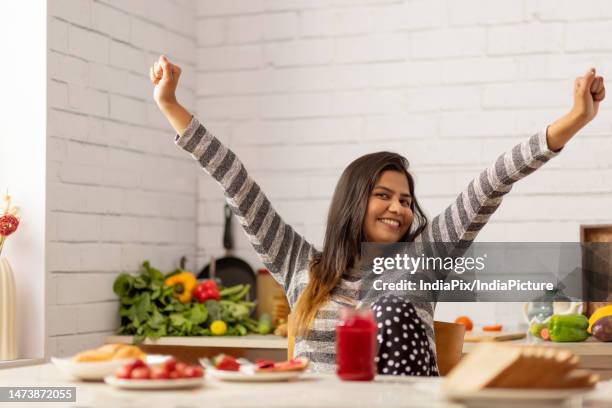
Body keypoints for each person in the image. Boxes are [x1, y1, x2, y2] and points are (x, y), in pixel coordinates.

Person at [149, 55, 605, 375]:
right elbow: (237, 184)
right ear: (353, 201)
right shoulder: (298, 263)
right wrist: (171, 104)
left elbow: (489, 184)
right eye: (383, 195)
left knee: (390, 309)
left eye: (406, 200)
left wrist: (573, 120)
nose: (398, 208)